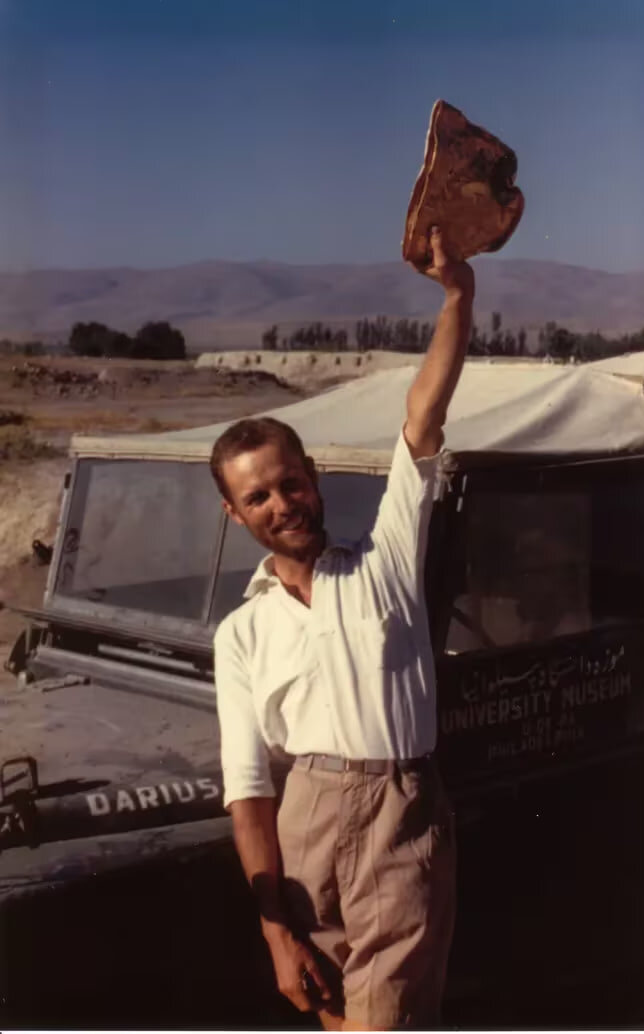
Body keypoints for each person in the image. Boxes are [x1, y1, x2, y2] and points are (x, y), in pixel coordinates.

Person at [210, 227, 474, 1031]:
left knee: (387, 1022)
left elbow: (422, 418)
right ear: (236, 513)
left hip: (402, 818)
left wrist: (458, 295)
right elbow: (250, 792)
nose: (280, 504)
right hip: (305, 827)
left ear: (314, 479)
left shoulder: (387, 557)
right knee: (332, 1015)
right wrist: (274, 930)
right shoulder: (241, 634)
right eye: (258, 498)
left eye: (290, 483)